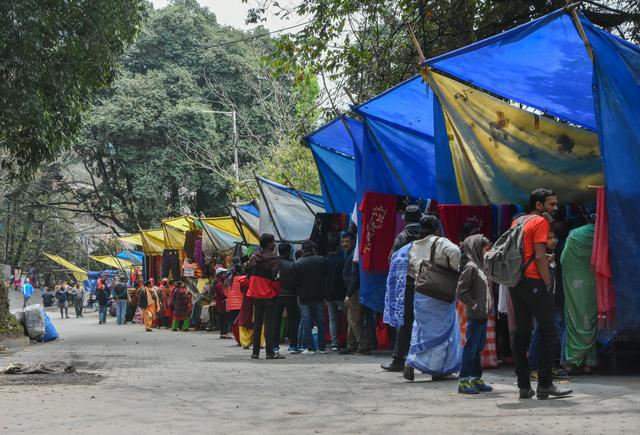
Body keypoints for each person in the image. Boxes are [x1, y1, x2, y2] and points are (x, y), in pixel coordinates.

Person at [509, 188, 572, 399]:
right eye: (551, 204)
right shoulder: (540, 222)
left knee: (522, 333)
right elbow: (539, 256)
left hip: (517, 283)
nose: (555, 208)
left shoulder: (517, 222)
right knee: (549, 332)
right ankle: (545, 384)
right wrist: (547, 283)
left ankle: (523, 386)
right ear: (538, 205)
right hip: (535, 281)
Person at [404, 214, 462, 382]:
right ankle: (438, 370)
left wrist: (416, 275)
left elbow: (407, 266)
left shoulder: (412, 246)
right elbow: (455, 251)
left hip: (420, 293)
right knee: (443, 331)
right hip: (440, 293)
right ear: (437, 228)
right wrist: (452, 268)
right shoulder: (440, 242)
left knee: (420, 329)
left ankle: (411, 360)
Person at [383, 211, 433, 372]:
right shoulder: (428, 237)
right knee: (425, 321)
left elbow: (392, 258)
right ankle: (425, 360)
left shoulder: (402, 237)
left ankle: (399, 359)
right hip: (427, 283)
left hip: (407, 284)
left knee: (405, 322)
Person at [456, 234, 494, 394]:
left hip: (482, 315)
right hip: (475, 315)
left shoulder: (481, 266)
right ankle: (464, 381)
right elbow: (461, 291)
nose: (489, 251)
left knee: (477, 347)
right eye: (486, 249)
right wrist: (474, 304)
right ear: (477, 249)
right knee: (471, 347)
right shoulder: (471, 267)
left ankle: (476, 378)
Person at [561, 220, 598, 373]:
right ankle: (589, 363)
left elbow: (564, 259)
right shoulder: (601, 235)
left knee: (573, 320)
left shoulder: (574, 235)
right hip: (594, 283)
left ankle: (570, 362)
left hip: (575, 284)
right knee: (591, 320)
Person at [246, 233, 284, 360]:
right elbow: (275, 278)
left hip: (256, 295)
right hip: (269, 295)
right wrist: (275, 292)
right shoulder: (274, 259)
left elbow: (248, 276)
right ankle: (269, 352)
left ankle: (255, 352)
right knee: (269, 324)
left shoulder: (253, 257)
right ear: (269, 243)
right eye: (273, 242)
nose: (274, 245)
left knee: (257, 324)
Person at [339, 232, 370, 355]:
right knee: (351, 318)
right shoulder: (349, 254)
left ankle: (363, 345)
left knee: (354, 319)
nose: (344, 244)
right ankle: (351, 344)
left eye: (347, 241)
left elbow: (354, 277)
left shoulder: (354, 256)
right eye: (343, 242)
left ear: (352, 242)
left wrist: (349, 293)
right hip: (352, 290)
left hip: (354, 291)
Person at [295, 240, 328, 354]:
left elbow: (296, 281)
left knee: (306, 322)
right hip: (319, 295)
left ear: (303, 250)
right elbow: (325, 277)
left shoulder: (299, 263)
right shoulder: (321, 260)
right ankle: (322, 347)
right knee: (320, 321)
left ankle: (310, 347)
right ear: (313, 249)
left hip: (304, 297)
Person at [273, 244, 300, 354]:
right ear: (288, 252)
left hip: (277, 296)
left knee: (276, 321)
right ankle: (293, 345)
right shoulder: (292, 265)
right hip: (291, 295)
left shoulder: (274, 264)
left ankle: (274, 346)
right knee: (292, 321)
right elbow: (296, 281)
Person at [324, 238, 346, 352]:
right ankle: (346, 340)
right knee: (347, 318)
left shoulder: (325, 261)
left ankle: (334, 343)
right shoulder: (342, 261)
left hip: (329, 294)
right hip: (341, 294)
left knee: (332, 319)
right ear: (338, 248)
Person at [214, 268, 232, 339]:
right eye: (224, 273)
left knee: (223, 318)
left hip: (221, 302)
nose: (225, 275)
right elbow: (222, 293)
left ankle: (223, 333)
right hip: (222, 303)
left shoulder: (220, 282)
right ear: (220, 274)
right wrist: (228, 296)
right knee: (224, 318)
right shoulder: (219, 283)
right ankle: (224, 333)